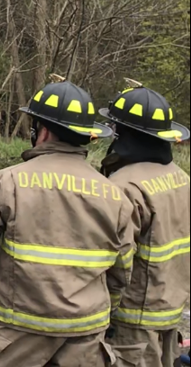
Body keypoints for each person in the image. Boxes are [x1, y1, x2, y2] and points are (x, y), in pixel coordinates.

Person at [0, 77, 134, 367]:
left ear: (43, 131)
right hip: (84, 337)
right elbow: (122, 270)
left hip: (15, 328)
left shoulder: (9, 181)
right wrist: (101, 313)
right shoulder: (115, 194)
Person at [99, 81, 190, 367]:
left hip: (132, 322)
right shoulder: (181, 178)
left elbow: (116, 261)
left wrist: (103, 311)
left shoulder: (124, 186)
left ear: (123, 133)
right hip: (169, 311)